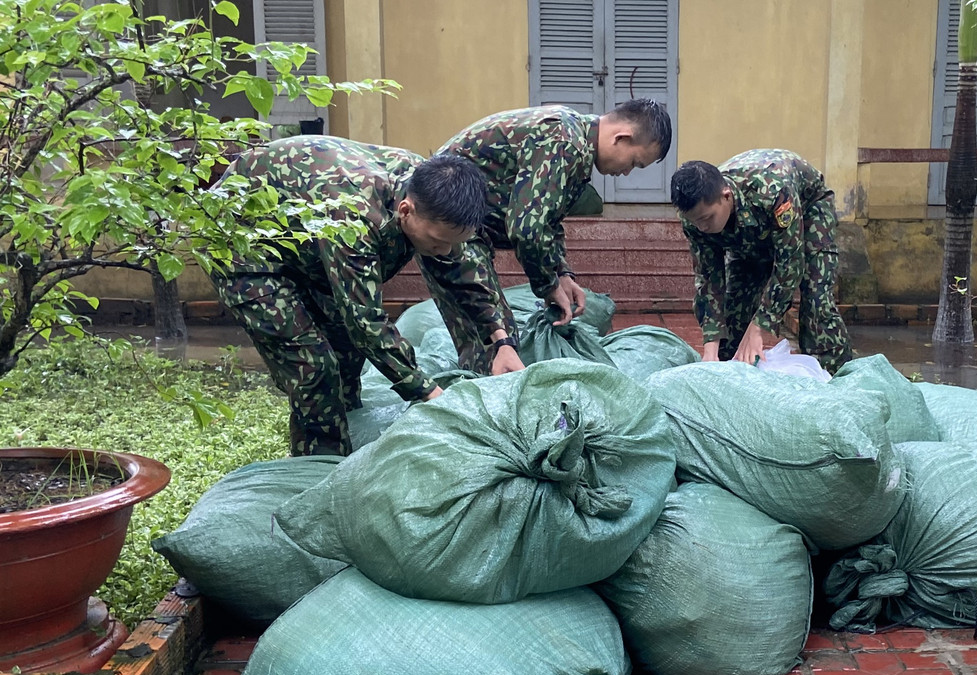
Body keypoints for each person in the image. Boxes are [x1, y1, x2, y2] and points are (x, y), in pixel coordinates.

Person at [211, 135, 522, 457]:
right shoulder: (355, 219)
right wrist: (431, 394)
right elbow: (365, 322)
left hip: (308, 241)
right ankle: (318, 474)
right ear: (406, 210)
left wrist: (501, 341)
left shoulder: (434, 191)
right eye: (436, 242)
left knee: (346, 359)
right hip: (246, 246)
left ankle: (345, 446)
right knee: (314, 368)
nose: (444, 252)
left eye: (454, 243)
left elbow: (463, 272)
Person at [436, 99, 672, 326]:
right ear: (621, 138)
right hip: (445, 223)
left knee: (497, 334)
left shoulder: (577, 144)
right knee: (492, 336)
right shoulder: (565, 142)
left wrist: (562, 274)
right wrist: (548, 285)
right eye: (634, 162)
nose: (627, 172)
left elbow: (548, 219)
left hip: (467, 229)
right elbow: (527, 229)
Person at [669, 150, 854, 373]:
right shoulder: (696, 217)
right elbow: (709, 278)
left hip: (808, 209)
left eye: (707, 219)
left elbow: (790, 264)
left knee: (816, 304)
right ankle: (732, 376)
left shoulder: (772, 192)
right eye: (695, 222)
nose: (702, 228)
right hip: (749, 232)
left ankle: (837, 378)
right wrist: (711, 347)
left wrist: (760, 326)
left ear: (726, 196)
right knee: (734, 312)